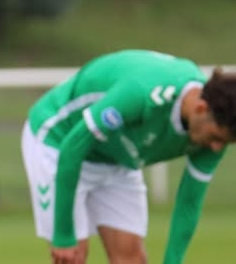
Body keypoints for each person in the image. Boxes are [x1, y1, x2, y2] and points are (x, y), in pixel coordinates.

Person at [21, 49, 236, 264]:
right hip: (59, 140)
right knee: (73, 256)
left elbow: (189, 202)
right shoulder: (142, 94)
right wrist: (64, 236)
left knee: (132, 259)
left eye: (225, 142)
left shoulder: (215, 134)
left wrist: (173, 261)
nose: (217, 148)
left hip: (116, 156)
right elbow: (74, 147)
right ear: (201, 108)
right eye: (216, 137)